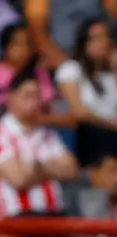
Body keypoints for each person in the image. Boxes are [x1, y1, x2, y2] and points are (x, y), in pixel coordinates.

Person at [55, 18, 117, 166]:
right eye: (96, 38)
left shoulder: (114, 75)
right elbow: (80, 113)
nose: (103, 42)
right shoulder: (71, 69)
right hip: (90, 135)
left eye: (106, 36)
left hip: (116, 137)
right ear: (84, 43)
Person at [0, 71, 79, 218]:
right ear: (11, 97)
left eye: (37, 96)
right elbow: (18, 178)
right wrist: (51, 168)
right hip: (18, 217)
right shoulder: (2, 133)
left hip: (54, 214)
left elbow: (71, 170)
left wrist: (35, 168)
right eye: (27, 96)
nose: (34, 102)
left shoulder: (47, 133)